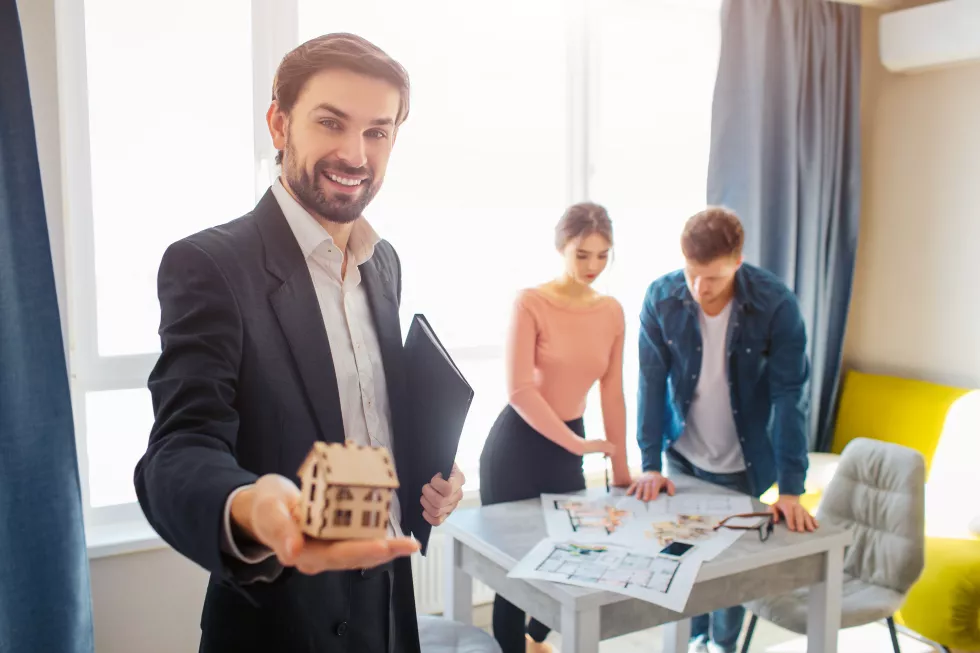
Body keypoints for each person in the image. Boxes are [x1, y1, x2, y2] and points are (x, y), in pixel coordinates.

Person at [134, 33, 465, 653]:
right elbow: (179, 447)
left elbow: (370, 417)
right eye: (330, 122)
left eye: (378, 131)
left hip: (390, 606)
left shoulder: (382, 263)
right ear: (279, 124)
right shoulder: (210, 265)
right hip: (279, 621)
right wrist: (249, 508)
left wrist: (430, 474)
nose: (354, 152)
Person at [629, 207, 818, 653]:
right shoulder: (660, 297)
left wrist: (791, 489)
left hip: (744, 460)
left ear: (737, 260)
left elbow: (790, 396)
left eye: (712, 277)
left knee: (727, 573)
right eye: (692, 273)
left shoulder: (775, 304)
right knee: (681, 563)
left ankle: (722, 646)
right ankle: (692, 642)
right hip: (683, 457)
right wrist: (650, 463)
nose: (699, 288)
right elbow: (650, 382)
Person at [479, 203, 633, 653]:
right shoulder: (532, 301)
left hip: (570, 445)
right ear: (561, 247)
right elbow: (520, 390)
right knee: (514, 573)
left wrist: (620, 469)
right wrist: (579, 445)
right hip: (518, 446)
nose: (593, 266)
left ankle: (534, 643)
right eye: (583, 254)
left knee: (568, 562)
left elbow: (613, 393)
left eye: (603, 255)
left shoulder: (612, 311)